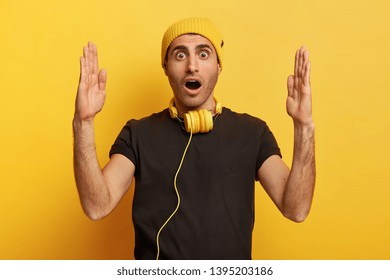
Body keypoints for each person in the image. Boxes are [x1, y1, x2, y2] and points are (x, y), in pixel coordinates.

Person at [73, 18, 316, 260]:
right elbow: (97, 206)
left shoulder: (253, 132)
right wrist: (83, 122)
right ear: (166, 67)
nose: (192, 66)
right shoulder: (138, 134)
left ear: (218, 65)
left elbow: (296, 208)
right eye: (180, 55)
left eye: (203, 54)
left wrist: (303, 126)